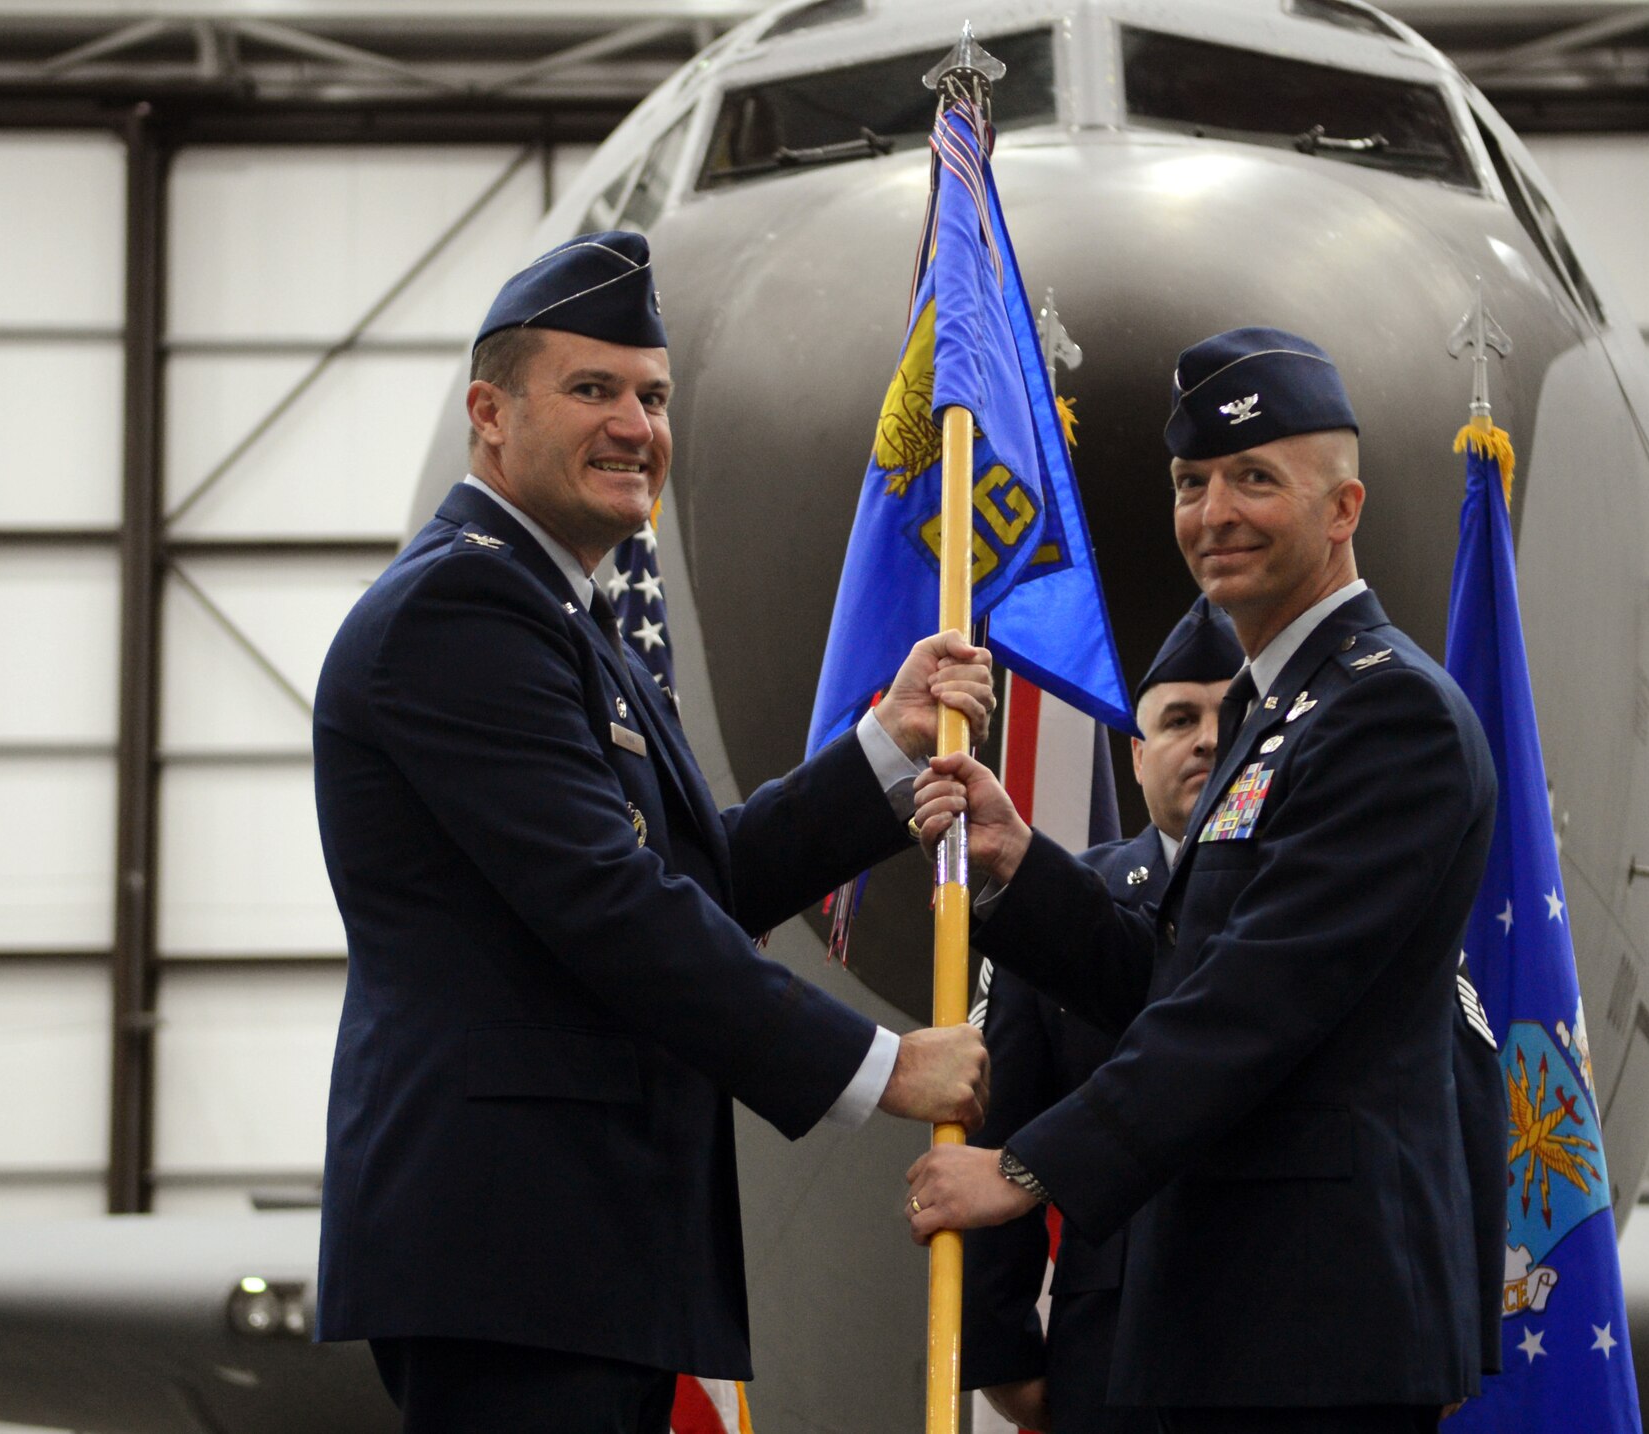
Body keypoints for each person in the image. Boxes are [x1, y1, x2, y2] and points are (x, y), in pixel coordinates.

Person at [312, 231, 994, 1434]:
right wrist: (883, 1068)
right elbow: (610, 906)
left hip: (583, 1253)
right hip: (516, 1256)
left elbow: (691, 874)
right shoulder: (462, 609)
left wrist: (881, 748)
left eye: (653, 397)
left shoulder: (563, 623)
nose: (636, 425)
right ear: (488, 413)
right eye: (591, 391)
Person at [905, 328, 1504, 1433]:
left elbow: (1257, 1001)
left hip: (1311, 1327)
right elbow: (1177, 978)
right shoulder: (1274, 714)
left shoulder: (1386, 713)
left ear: (1342, 509)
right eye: (1191, 482)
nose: (1212, 512)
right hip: (1230, 1315)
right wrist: (1020, 865)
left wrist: (1035, 1169)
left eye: (1253, 478)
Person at [964, 599, 1242, 1434]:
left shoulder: (1326, 885)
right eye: (1179, 719)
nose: (1205, 740)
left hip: (1290, 1326)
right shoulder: (1057, 911)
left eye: (1231, 718)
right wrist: (1003, 1355)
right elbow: (997, 1122)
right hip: (1110, 1350)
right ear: (1136, 751)